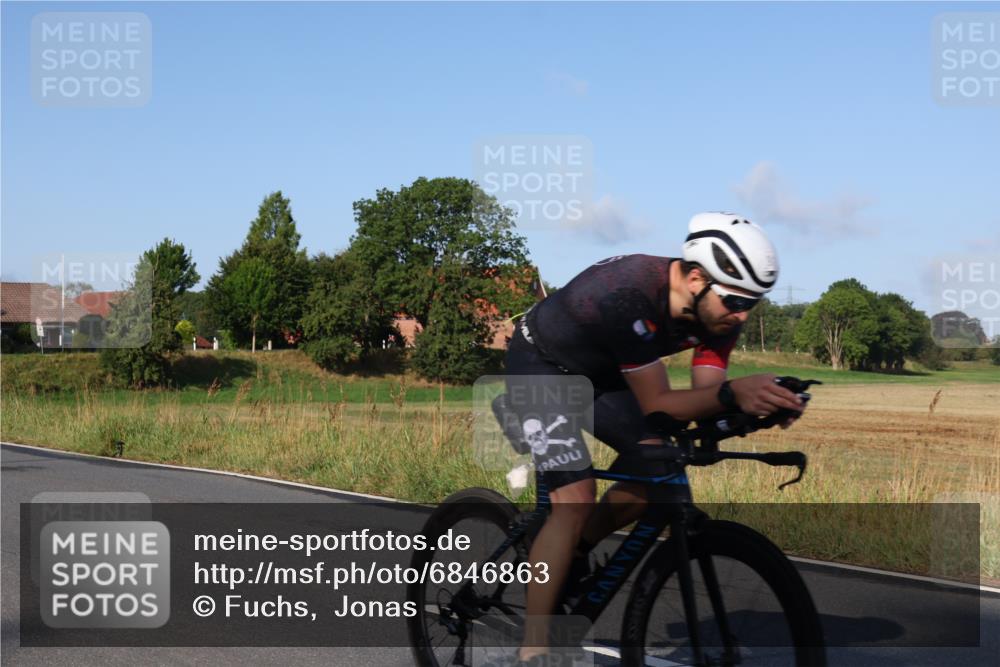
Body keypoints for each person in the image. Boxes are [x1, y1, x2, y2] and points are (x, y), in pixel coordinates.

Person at [502, 212, 807, 665]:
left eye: (752, 304)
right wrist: (734, 394)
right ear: (698, 277)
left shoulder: (719, 311)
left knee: (659, 464)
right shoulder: (631, 295)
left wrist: (753, 409)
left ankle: (576, 549)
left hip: (602, 373)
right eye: (736, 301)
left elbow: (704, 398)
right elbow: (659, 404)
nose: (742, 315)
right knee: (575, 498)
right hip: (542, 365)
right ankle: (534, 650)